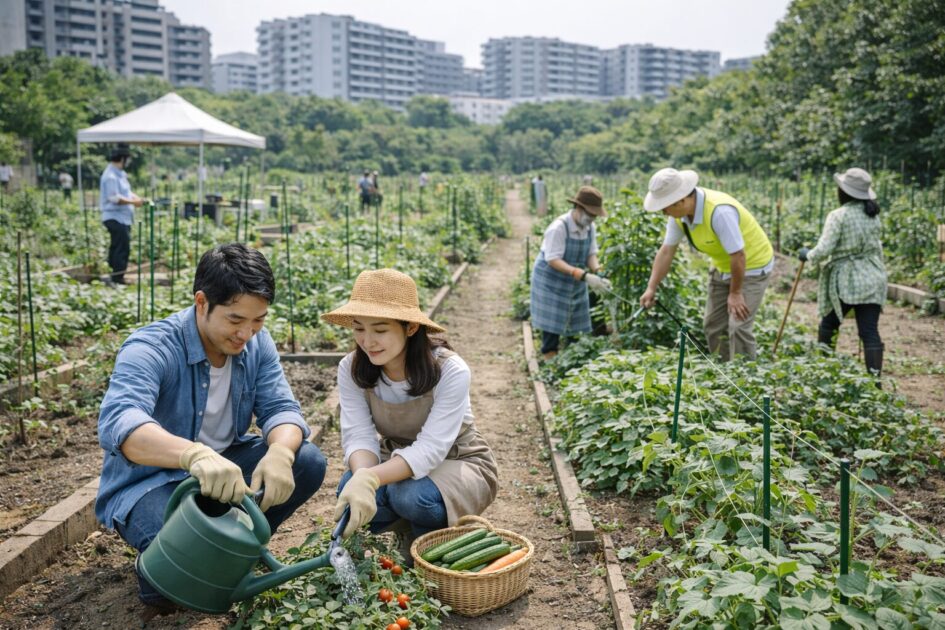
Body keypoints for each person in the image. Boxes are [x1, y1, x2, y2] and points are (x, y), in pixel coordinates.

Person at [96, 243, 327, 611]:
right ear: (201, 303)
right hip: (152, 482)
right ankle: (189, 559)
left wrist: (281, 451)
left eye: (258, 320)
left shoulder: (256, 343)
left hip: (226, 470)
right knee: (171, 592)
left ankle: (236, 547)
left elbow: (281, 408)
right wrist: (193, 454)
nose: (247, 333)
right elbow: (121, 422)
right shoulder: (152, 346)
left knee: (307, 460)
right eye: (236, 320)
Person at [323, 268, 498, 560]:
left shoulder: (450, 371)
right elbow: (359, 435)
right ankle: (406, 532)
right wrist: (363, 476)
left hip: (456, 458)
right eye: (359, 328)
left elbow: (431, 450)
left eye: (380, 330)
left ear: (410, 328)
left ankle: (429, 544)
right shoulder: (351, 368)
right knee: (349, 486)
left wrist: (371, 478)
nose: (367, 341)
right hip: (394, 456)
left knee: (411, 496)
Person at [639, 168, 773, 361]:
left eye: (665, 207)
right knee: (713, 324)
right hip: (723, 266)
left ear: (682, 200)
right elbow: (667, 251)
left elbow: (738, 255)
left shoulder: (719, 212)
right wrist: (651, 287)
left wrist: (735, 293)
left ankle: (745, 381)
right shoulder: (679, 217)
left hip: (751, 266)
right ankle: (724, 371)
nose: (664, 212)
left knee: (738, 325)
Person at [797, 167, 886, 381]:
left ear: (844, 192)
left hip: (846, 280)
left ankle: (824, 373)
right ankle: (875, 382)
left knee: (829, 324)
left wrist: (808, 255)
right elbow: (877, 248)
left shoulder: (839, 215)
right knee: (869, 331)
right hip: (872, 277)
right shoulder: (872, 214)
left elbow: (825, 248)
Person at [530, 186, 612, 361]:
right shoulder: (559, 228)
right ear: (578, 208)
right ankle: (550, 356)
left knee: (576, 316)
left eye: (594, 215)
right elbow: (553, 259)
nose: (592, 218)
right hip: (550, 279)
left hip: (575, 278)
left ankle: (571, 356)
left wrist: (598, 271)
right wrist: (582, 275)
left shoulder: (590, 228)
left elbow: (591, 254)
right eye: (590, 214)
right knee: (553, 318)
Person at [100, 144, 143, 285]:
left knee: (117, 245)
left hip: (122, 218)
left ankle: (114, 275)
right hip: (114, 217)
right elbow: (115, 198)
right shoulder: (110, 176)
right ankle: (118, 278)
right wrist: (133, 202)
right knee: (121, 247)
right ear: (122, 159)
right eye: (127, 159)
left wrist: (137, 199)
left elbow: (126, 192)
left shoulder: (120, 174)